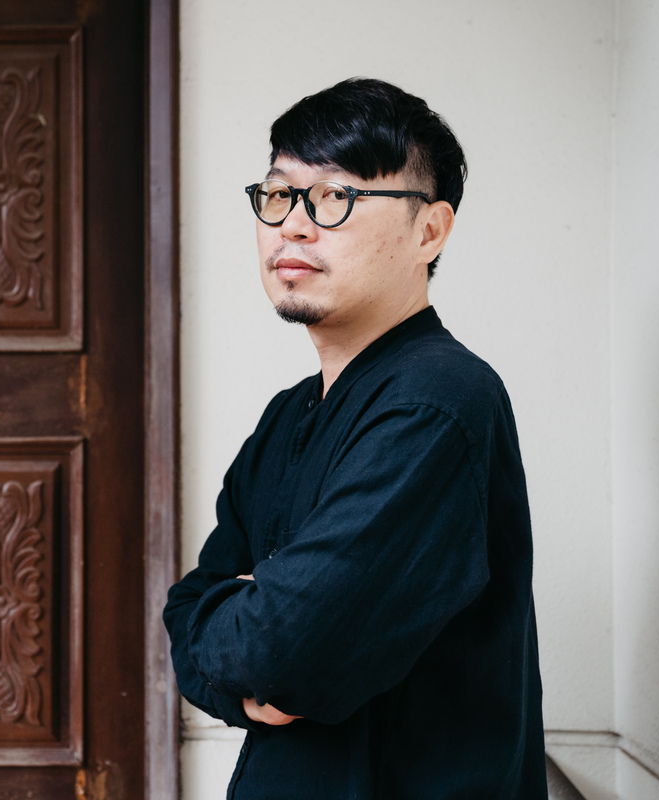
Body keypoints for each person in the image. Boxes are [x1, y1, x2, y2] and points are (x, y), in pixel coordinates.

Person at [163, 77, 546, 798]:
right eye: (279, 194)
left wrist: (256, 638)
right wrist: (238, 644)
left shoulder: (438, 401)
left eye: (335, 197)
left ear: (429, 231)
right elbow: (187, 611)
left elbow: (285, 653)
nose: (293, 225)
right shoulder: (286, 416)